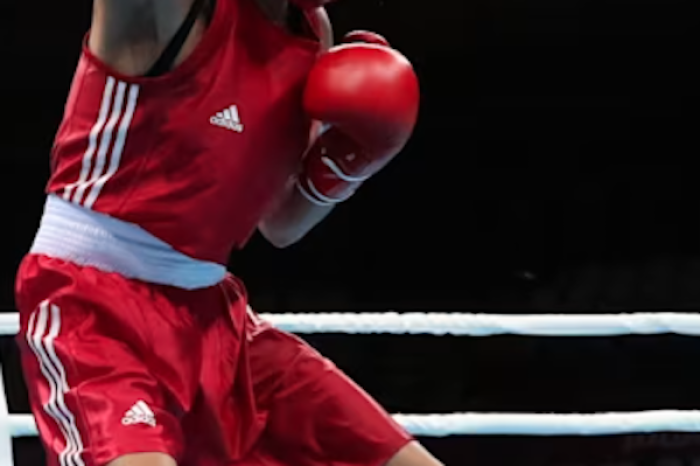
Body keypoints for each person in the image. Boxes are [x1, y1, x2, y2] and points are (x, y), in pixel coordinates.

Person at [14, 0, 440, 465]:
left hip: (216, 318)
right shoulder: (172, 14)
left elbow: (281, 223)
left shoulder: (311, 31)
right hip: (93, 306)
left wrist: (345, 168)